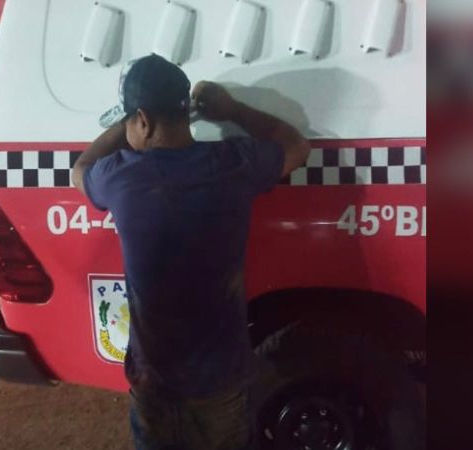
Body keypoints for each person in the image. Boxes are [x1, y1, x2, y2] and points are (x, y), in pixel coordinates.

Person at [72, 54, 310, 450]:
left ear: (142, 120)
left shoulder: (120, 176)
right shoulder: (234, 164)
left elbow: (80, 169)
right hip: (221, 384)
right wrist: (232, 109)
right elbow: (297, 146)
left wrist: (124, 125)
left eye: (130, 120)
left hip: (154, 385)